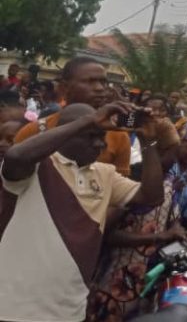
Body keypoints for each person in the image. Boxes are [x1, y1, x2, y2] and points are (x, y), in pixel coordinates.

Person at [0, 102, 164, 322]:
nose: (101, 144)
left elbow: (152, 196)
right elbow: (15, 157)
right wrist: (90, 120)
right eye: (90, 135)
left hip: (69, 310)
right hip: (14, 308)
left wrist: (149, 141)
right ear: (67, 133)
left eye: (102, 136)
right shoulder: (36, 166)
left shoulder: (105, 174)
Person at [87, 141, 187, 322]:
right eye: (172, 151)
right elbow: (107, 234)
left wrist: (181, 232)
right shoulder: (132, 180)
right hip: (115, 275)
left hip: (148, 276)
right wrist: (159, 236)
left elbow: (173, 221)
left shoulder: (169, 182)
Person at [15, 57, 134, 177]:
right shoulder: (34, 130)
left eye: (103, 82)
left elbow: (119, 184)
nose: (100, 88)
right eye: (90, 81)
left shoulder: (118, 136)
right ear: (64, 88)